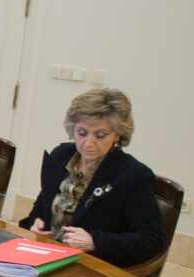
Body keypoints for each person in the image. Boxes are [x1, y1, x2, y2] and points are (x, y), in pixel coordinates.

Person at [20, 88, 164, 267]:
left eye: (100, 135)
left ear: (117, 135)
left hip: (91, 267)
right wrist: (35, 225)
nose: (89, 143)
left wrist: (95, 241)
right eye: (82, 133)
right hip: (46, 256)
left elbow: (152, 239)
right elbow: (39, 211)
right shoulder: (60, 157)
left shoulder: (132, 175)